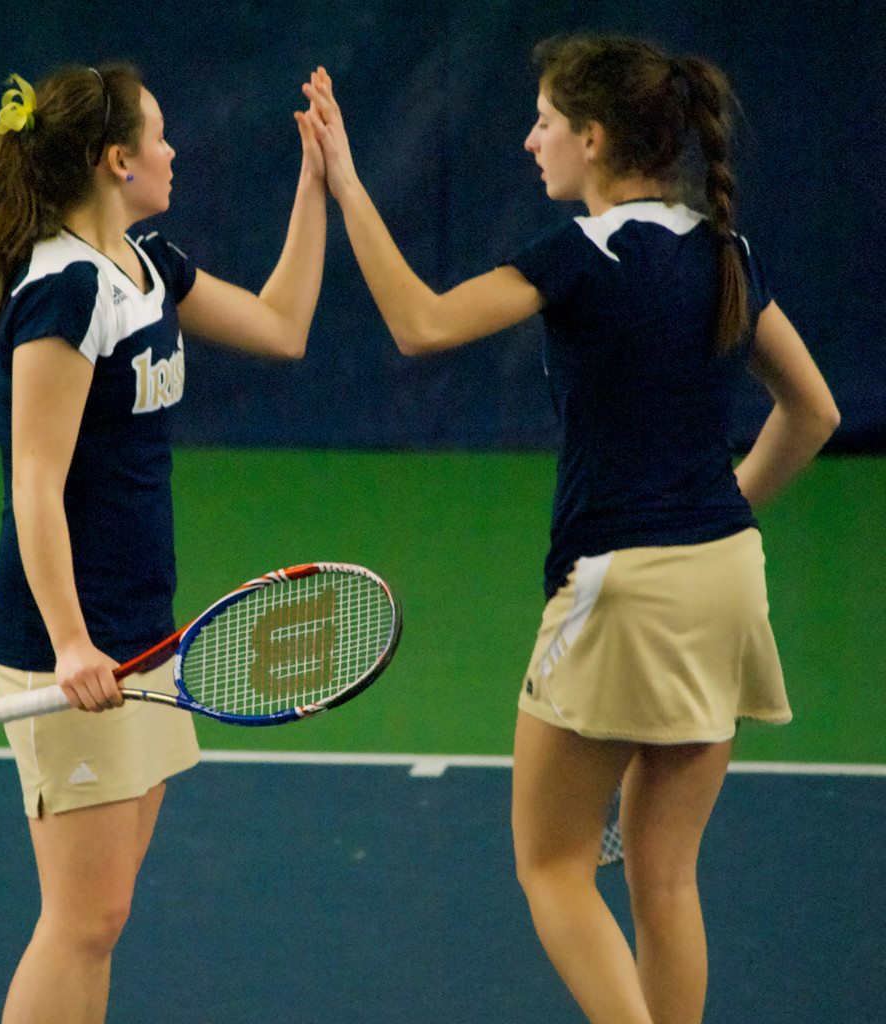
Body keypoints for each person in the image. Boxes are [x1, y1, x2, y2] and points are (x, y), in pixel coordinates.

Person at [301, 35, 839, 1024]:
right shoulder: (727, 252)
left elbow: (419, 325)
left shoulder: (579, 256)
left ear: (591, 139)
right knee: (663, 878)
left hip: (618, 588)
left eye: (544, 121)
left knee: (551, 866)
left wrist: (344, 183)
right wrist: (711, 517)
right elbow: (812, 413)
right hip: (726, 577)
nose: (528, 139)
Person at [0, 63, 327, 1023]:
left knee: (103, 917)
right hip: (69, 644)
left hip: (146, 636)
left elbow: (283, 328)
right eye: (158, 137)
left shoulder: (146, 266)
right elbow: (33, 482)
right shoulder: (66, 291)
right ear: (117, 160)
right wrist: (72, 642)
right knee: (78, 921)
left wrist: (316, 182)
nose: (172, 152)